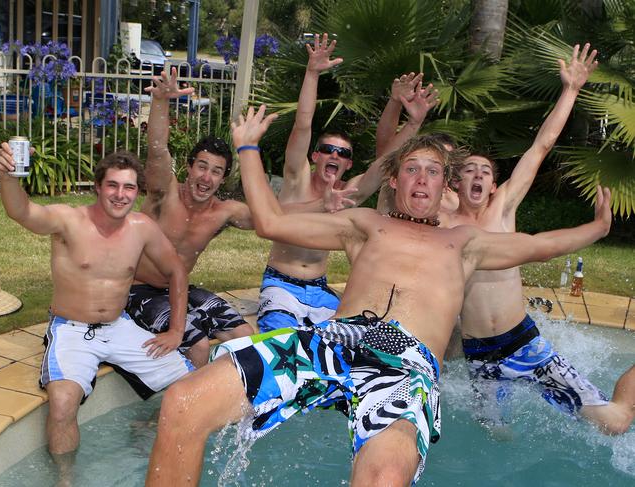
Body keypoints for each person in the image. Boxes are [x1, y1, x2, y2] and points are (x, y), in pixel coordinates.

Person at [146, 105, 615, 486]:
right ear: (395, 180)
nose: (422, 179)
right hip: (336, 339)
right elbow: (271, 222)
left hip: (405, 359)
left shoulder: (464, 243)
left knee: (386, 473)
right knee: (184, 403)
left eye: (433, 172)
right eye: (412, 169)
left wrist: (598, 226)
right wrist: (247, 146)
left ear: (443, 185)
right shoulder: (365, 223)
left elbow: (538, 247)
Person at [439, 43, 635, 434]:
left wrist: (571, 90)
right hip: (480, 358)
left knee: (613, 423)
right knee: (497, 436)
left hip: (525, 344)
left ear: (494, 185)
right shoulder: (441, 224)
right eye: (470, 171)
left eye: (485, 172)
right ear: (455, 181)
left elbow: (541, 146)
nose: (478, 176)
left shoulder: (503, 209)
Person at [0, 146, 194, 469]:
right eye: (112, 185)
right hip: (72, 329)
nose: (120, 195)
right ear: (98, 186)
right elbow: (22, 212)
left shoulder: (141, 228)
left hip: (119, 326)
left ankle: (150, 430)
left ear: (137, 192)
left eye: (128, 187)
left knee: (191, 384)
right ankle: (66, 479)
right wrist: (8, 177)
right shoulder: (68, 221)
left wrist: (176, 330)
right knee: (62, 403)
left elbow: (176, 270)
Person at [258, 33, 438, 333]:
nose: (334, 155)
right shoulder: (296, 175)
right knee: (280, 346)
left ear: (348, 164)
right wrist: (312, 73)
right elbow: (303, 123)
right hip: (281, 284)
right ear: (315, 155)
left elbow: (385, 163)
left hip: (319, 289)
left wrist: (414, 123)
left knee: (351, 346)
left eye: (342, 153)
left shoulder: (347, 193)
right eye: (327, 150)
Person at [125, 68, 255, 368]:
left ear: (223, 179)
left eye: (216, 171)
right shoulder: (164, 194)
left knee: (245, 335)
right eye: (202, 167)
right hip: (139, 290)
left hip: (181, 289)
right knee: (197, 346)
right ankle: (188, 410)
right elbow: (157, 150)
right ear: (188, 167)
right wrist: (161, 101)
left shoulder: (224, 212)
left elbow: (272, 220)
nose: (206, 178)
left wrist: (323, 205)